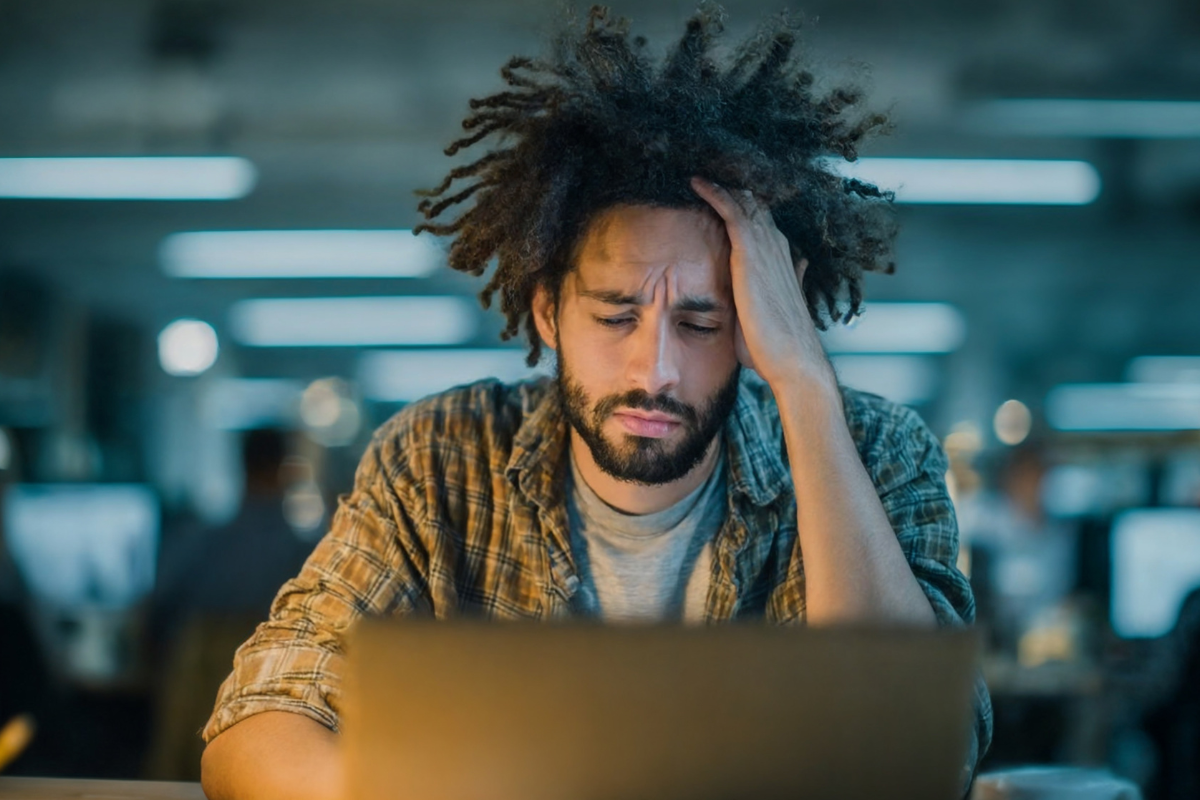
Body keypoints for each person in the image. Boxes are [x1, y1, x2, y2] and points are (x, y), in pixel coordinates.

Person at [200, 7, 992, 800]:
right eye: (616, 315)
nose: (655, 369)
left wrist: (806, 386)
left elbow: (922, 764)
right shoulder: (438, 458)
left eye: (701, 322)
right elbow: (260, 718)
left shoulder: (878, 452)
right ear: (547, 312)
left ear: (755, 325)